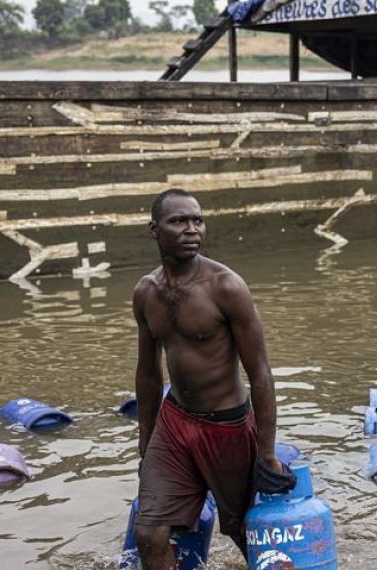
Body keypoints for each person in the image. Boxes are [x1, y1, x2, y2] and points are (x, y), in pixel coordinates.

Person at [132, 188, 294, 569]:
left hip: (229, 427)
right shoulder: (146, 292)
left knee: (243, 531)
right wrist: (146, 441)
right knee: (149, 534)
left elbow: (261, 374)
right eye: (179, 221)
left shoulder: (226, 287)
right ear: (154, 230)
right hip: (174, 424)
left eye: (198, 220)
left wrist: (266, 453)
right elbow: (148, 373)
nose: (192, 229)